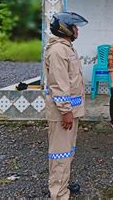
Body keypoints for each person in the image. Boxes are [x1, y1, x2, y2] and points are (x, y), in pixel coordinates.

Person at [45, 12, 88, 199]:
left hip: (71, 110)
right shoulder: (57, 51)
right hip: (63, 112)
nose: (77, 30)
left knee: (67, 151)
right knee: (60, 154)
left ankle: (64, 186)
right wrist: (65, 111)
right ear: (65, 28)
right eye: (75, 27)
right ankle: (58, 194)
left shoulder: (67, 48)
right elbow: (59, 84)